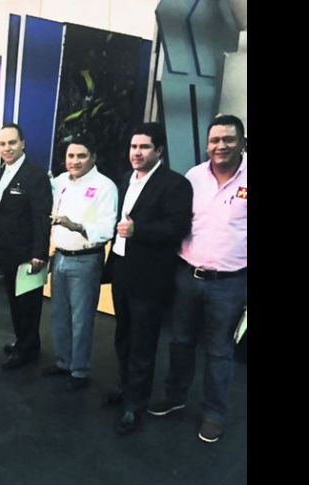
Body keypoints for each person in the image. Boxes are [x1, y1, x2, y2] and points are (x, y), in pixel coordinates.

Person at [147, 115, 247, 443]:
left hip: (230, 283)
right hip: (187, 276)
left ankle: (214, 413)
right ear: (207, 145)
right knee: (180, 341)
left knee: (219, 351)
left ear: (242, 143)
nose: (221, 146)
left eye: (228, 139)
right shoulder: (193, 177)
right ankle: (175, 396)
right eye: (215, 140)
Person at [106, 122, 193, 435]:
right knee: (123, 335)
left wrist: (138, 230)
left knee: (143, 342)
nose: (137, 152)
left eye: (144, 147)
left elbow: (177, 228)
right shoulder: (126, 179)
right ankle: (125, 386)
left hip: (150, 277)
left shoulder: (175, 184)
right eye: (133, 146)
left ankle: (135, 404)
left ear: (159, 150)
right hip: (122, 269)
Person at [45, 137, 117, 390]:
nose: (74, 161)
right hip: (60, 256)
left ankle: (79, 370)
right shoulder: (60, 182)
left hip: (85, 260)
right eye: (71, 156)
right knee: (59, 314)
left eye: (81, 156)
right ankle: (63, 361)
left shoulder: (105, 186)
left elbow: (107, 228)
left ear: (93, 157)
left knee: (81, 318)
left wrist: (75, 225)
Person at [0, 123, 52, 369]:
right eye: (2, 143)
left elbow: (41, 216)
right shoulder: (3, 172)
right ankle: (25, 341)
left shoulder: (35, 175)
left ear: (23, 143)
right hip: (8, 251)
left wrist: (39, 252)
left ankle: (26, 350)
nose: (7, 148)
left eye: (12, 142)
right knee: (15, 301)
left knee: (28, 303)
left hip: (28, 254)